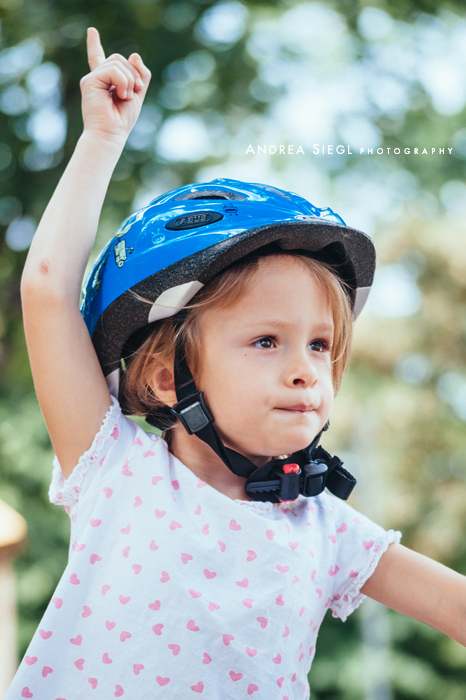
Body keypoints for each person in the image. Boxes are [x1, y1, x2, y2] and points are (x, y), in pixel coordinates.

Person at [5, 26, 466, 700]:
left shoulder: (327, 529)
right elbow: (46, 292)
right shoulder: (117, 474)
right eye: (265, 342)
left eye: (318, 345)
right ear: (168, 377)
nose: (308, 370)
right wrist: (102, 140)